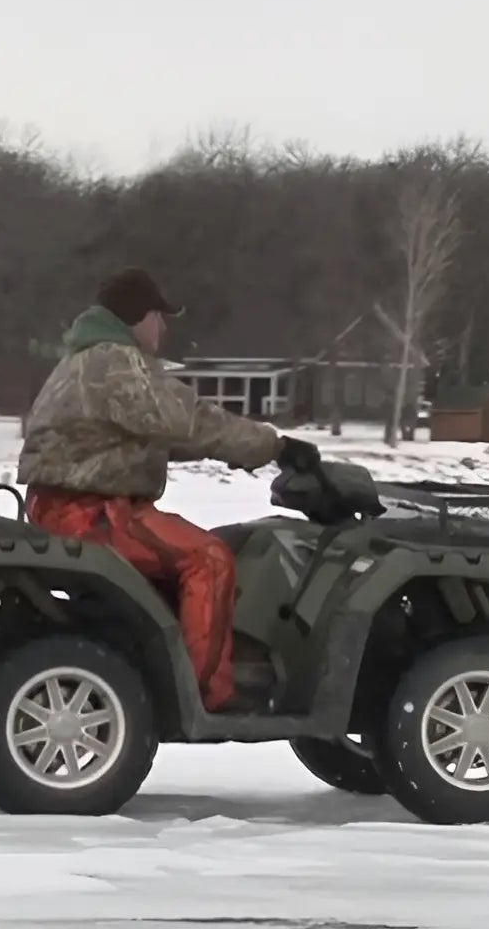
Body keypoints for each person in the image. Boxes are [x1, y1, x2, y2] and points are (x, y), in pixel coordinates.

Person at [17, 268, 319, 711]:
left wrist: (237, 452)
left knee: (185, 556)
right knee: (209, 559)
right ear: (138, 316)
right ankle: (203, 695)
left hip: (64, 504)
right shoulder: (116, 361)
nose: (165, 326)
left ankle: (167, 657)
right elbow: (188, 419)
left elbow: (143, 438)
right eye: (160, 315)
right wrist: (276, 445)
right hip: (90, 513)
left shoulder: (83, 361)